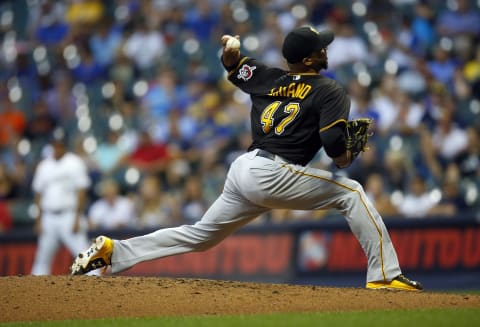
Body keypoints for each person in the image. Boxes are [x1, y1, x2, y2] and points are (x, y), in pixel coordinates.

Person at [70, 26, 423, 291]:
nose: (326, 50)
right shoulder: (329, 89)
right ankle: (384, 276)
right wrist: (347, 154)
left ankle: (116, 252)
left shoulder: (268, 77)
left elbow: (232, 64)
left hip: (243, 169)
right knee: (353, 193)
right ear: (311, 59)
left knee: (201, 236)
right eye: (322, 48)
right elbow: (334, 146)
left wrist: (229, 49)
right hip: (272, 173)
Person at [31, 128, 94, 275]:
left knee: (85, 255)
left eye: (60, 144)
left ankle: (100, 287)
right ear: (51, 145)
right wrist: (39, 219)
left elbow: (81, 192)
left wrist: (78, 218)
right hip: (48, 217)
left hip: (69, 215)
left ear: (65, 145)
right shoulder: (44, 166)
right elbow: (39, 194)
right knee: (41, 260)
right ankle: (34, 294)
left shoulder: (74, 162)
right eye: (54, 144)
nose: (57, 147)